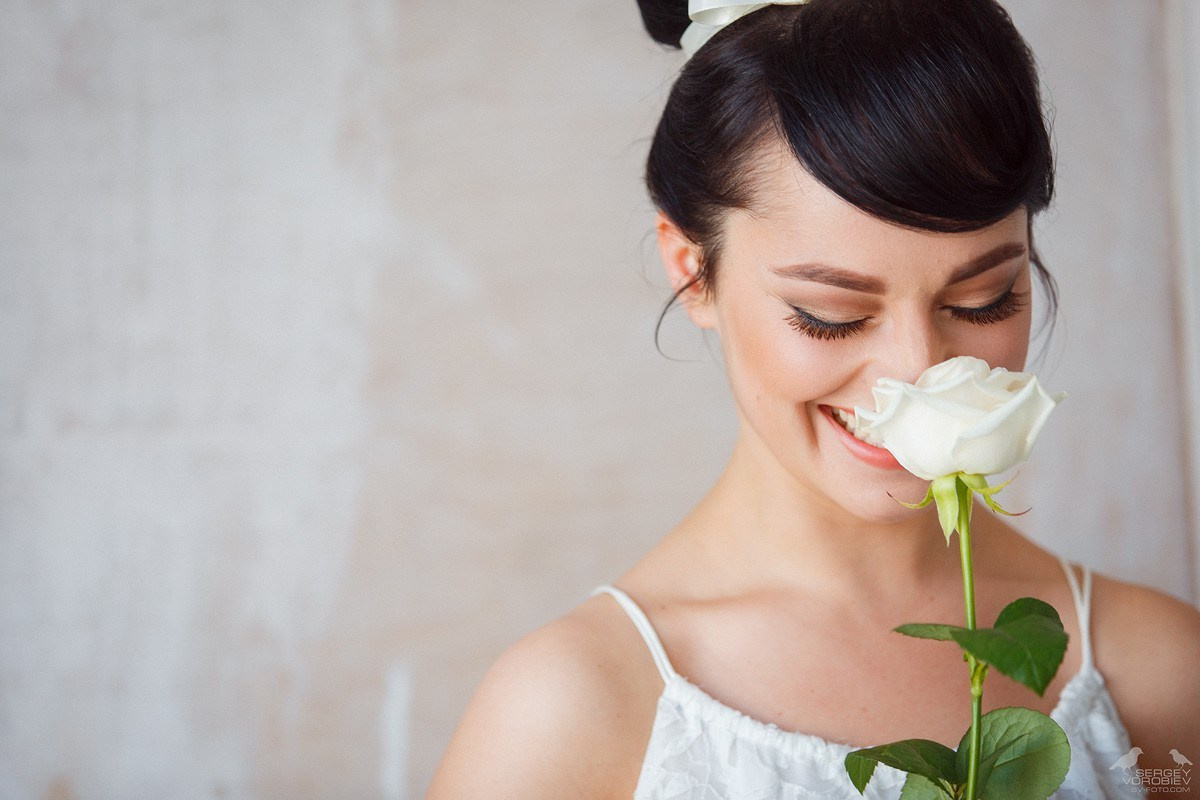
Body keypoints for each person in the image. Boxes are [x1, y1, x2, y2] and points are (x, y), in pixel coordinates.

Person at [426, 1, 1200, 797]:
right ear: (693, 269)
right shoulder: (571, 714)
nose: (915, 371)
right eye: (831, 315)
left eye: (983, 299)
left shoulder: (1158, 676)